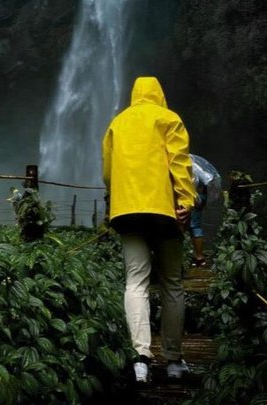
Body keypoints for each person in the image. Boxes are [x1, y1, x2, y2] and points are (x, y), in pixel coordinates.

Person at [102, 76, 196, 386]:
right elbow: (179, 162)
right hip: (164, 212)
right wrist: (186, 200)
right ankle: (173, 360)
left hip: (127, 212)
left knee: (135, 282)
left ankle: (140, 359)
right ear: (160, 93)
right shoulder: (168, 118)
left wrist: (113, 199)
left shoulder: (118, 122)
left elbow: (107, 169)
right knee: (171, 283)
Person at [189, 178, 208, 266]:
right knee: (194, 226)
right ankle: (197, 255)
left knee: (194, 226)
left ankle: (199, 256)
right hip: (198, 196)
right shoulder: (201, 171)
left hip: (194, 197)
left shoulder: (196, 171)